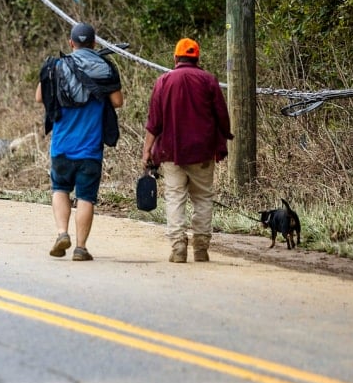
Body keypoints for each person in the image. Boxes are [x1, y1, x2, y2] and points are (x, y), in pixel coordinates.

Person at [35, 22, 124, 261]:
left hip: (61, 146)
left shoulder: (56, 67)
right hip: (90, 149)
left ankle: (62, 233)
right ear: (94, 43)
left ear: (70, 43)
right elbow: (117, 101)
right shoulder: (105, 67)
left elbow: (39, 97)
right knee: (86, 197)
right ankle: (81, 248)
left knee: (60, 189)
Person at [141, 38, 233, 263]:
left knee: (174, 197)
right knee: (203, 198)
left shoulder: (164, 81)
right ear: (197, 58)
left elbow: (155, 123)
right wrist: (223, 141)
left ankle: (178, 246)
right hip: (202, 153)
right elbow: (222, 117)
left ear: (175, 58)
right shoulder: (209, 80)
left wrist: (147, 151)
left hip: (171, 153)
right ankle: (201, 248)